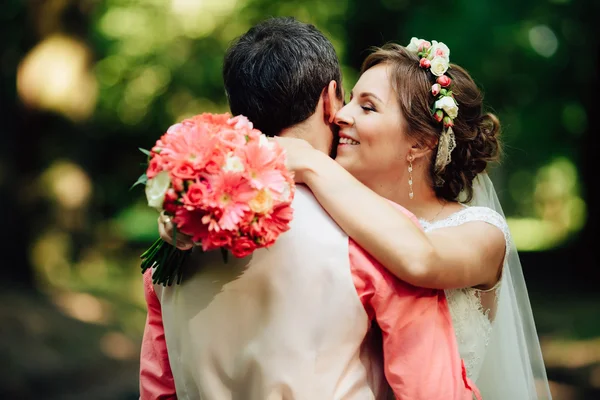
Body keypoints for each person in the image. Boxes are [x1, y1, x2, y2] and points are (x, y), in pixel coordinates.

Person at [141, 18, 477, 399]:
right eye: (349, 100)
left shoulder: (177, 241)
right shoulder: (377, 236)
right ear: (330, 99)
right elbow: (433, 391)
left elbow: (158, 391)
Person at [270, 41, 553, 399]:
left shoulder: (483, 232)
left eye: (368, 107)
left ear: (419, 142)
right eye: (351, 98)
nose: (341, 114)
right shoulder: (327, 215)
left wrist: (313, 163)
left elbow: (422, 260)